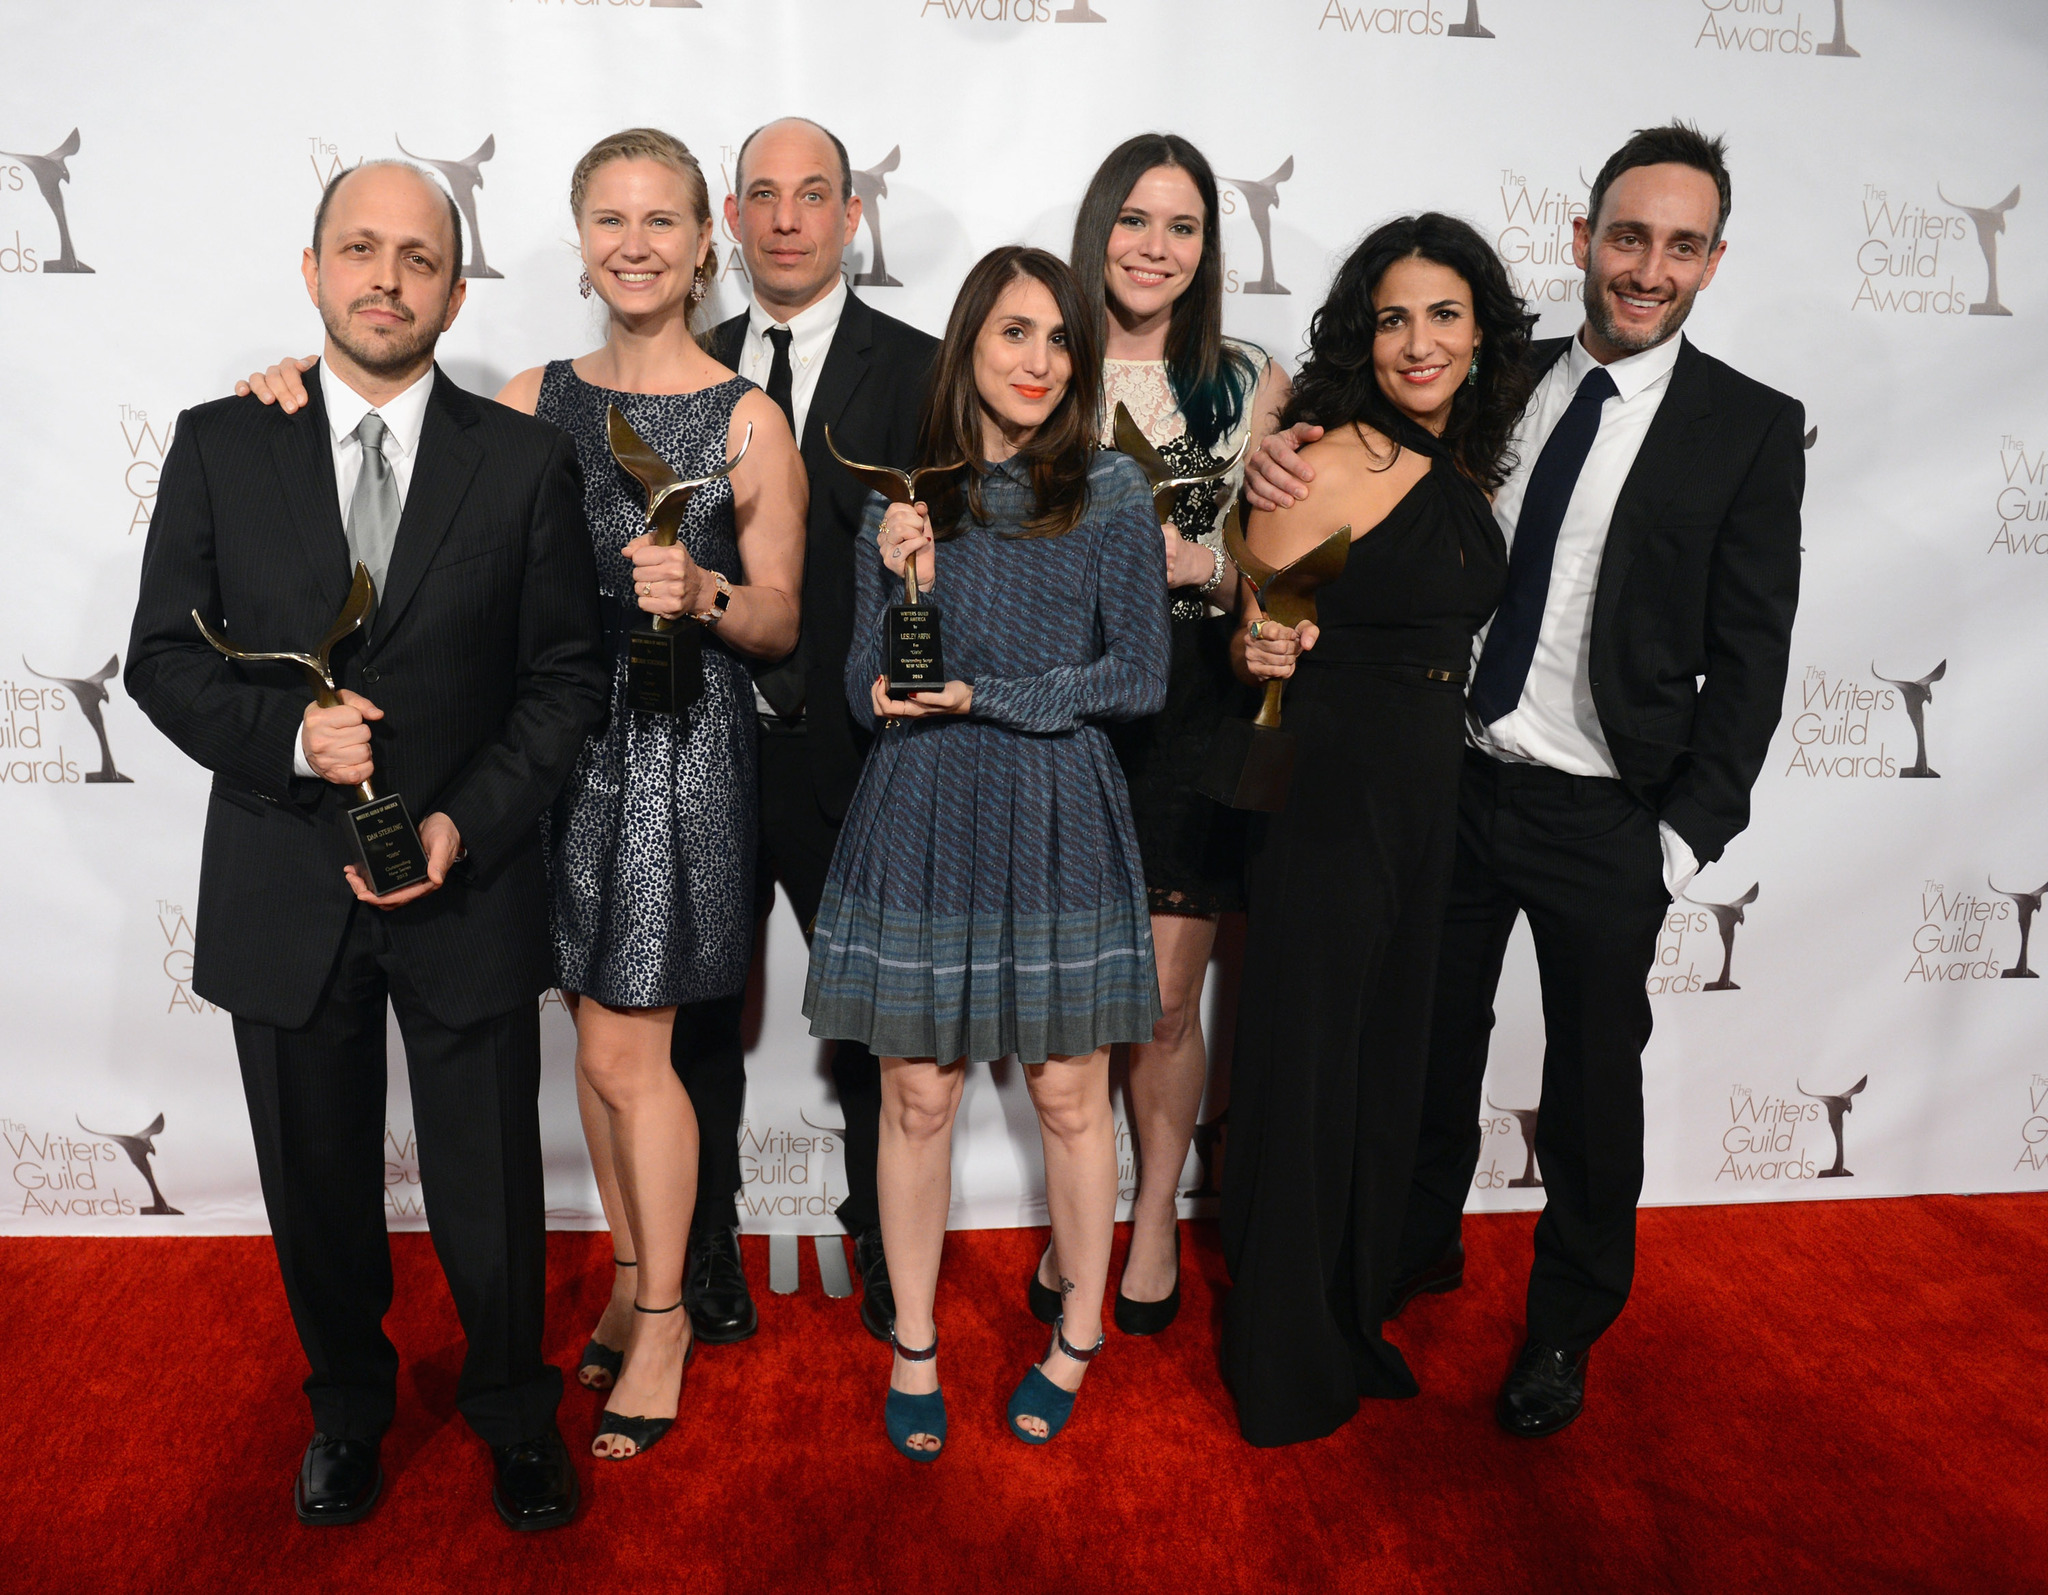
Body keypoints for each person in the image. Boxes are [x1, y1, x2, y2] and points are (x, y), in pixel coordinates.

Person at [242, 130, 809, 1462]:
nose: (635, 241)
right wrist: (283, 384)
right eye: (609, 217)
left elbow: (783, 621)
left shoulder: (745, 414)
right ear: (577, 237)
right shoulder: (530, 392)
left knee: (629, 1055)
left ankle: (663, 1312)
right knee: (589, 1055)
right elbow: (393, 453)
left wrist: (709, 592)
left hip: (675, 759)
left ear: (702, 240)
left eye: (662, 219)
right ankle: (626, 1278)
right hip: (541, 759)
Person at [1246, 123, 1804, 1437]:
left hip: (1609, 810)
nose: (1647, 265)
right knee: (1421, 1048)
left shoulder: (1749, 427)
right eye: (1627, 236)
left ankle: (1564, 1325)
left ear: (1713, 260)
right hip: (1449, 782)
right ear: (1583, 239)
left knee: (1595, 1088)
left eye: (1680, 244)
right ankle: (1401, 1257)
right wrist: (1277, 446)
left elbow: (1755, 651)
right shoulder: (1504, 381)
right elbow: (1366, 484)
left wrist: (1682, 837)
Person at [128, 161, 607, 1528]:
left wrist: (467, 818)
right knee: (316, 1181)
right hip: (286, 883)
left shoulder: (524, 463)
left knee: (491, 1184)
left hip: (467, 882)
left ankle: (515, 1407)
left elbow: (567, 678)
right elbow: (160, 660)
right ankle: (347, 1406)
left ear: (457, 293)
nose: (385, 277)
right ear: (313, 267)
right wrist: (289, 739)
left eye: (416, 257)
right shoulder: (222, 441)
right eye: (359, 248)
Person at [802, 246, 1170, 1459]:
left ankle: (1076, 1329)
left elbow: (1139, 675)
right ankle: (913, 1338)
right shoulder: (898, 499)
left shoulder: (1110, 486)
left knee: (1070, 1093)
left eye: (1060, 340)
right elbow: (863, 694)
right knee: (916, 1092)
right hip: (923, 806)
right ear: (966, 344)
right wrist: (903, 583)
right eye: (1014, 333)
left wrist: (990, 693)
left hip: (1057, 797)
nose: (1038, 361)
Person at [1219, 214, 1525, 1447]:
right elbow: (1255, 621)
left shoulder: (1465, 460)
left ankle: (1349, 1310)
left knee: (1382, 1059)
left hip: (1423, 792)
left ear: (1477, 331)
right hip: (1329, 787)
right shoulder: (1328, 456)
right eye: (1393, 316)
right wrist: (1250, 629)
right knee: (1305, 1064)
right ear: (1363, 330)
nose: (1418, 340)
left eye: (1443, 314)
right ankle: (1283, 1350)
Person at [681, 116, 940, 1348]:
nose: (787, 217)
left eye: (814, 194)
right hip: (705, 751)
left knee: (880, 1026)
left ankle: (886, 1241)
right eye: (763, 196)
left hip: (865, 761)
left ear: (850, 214)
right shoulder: (676, 366)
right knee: (694, 1019)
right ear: (730, 220)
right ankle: (702, 1246)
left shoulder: (931, 370)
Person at [1025, 133, 1286, 1339]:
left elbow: (1275, 578)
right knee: (1072, 996)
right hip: (1061, 694)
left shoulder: (1245, 378)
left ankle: (1151, 1221)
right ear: (1099, 227)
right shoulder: (1039, 362)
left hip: (1190, 697)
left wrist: (1209, 562)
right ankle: (1076, 1208)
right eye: (1135, 219)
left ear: (1205, 250)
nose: (1154, 247)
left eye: (1181, 228)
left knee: (1164, 1005)